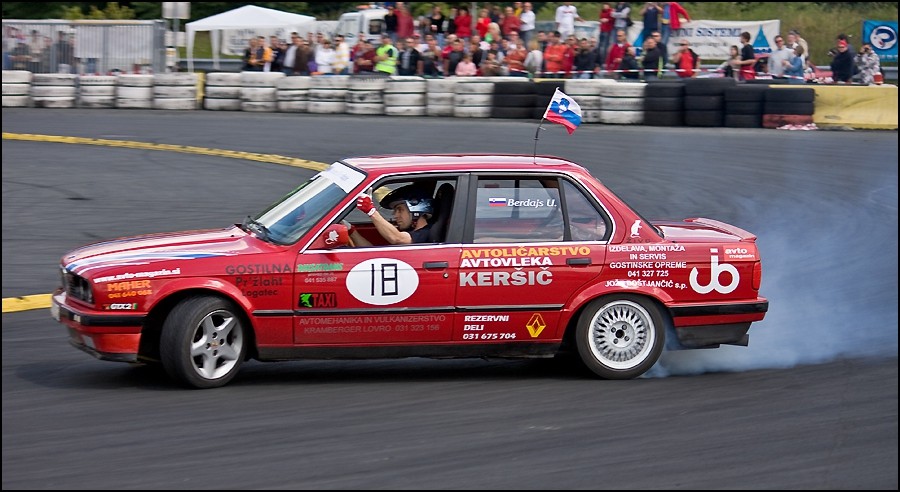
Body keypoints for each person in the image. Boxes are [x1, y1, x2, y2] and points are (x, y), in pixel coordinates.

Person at [352, 187, 435, 246]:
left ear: (416, 210)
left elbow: (397, 238)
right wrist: (351, 231)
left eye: (400, 210)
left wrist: (371, 211)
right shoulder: (410, 232)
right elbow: (372, 253)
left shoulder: (426, 233)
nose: (395, 215)